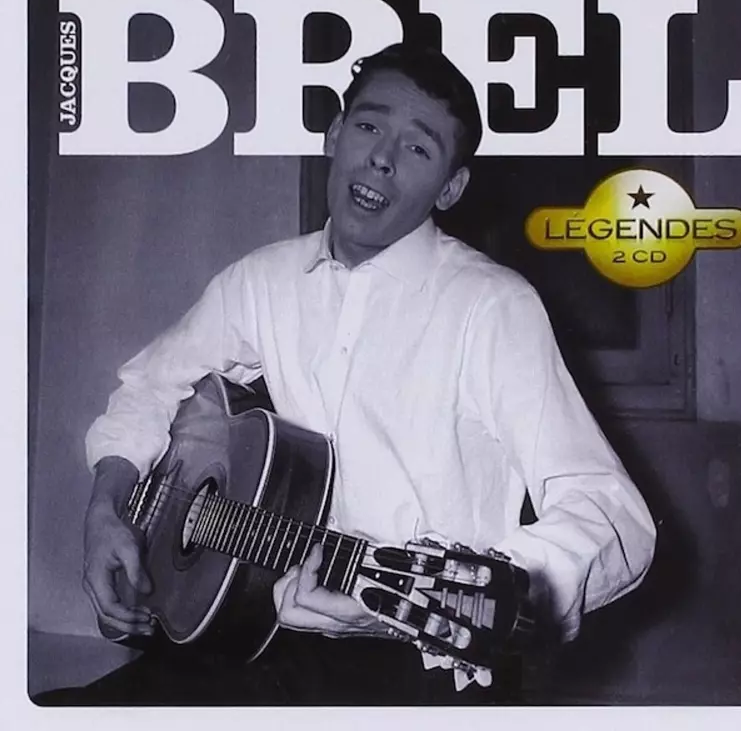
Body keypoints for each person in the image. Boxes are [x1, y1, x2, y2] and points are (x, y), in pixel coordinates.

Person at [36, 43, 656, 706]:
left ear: (451, 188)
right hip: (252, 636)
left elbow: (611, 514)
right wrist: (107, 510)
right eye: (368, 126)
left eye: (417, 149)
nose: (382, 158)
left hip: (409, 660)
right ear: (335, 134)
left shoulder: (493, 306)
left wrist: (499, 584)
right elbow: (151, 386)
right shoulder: (262, 280)